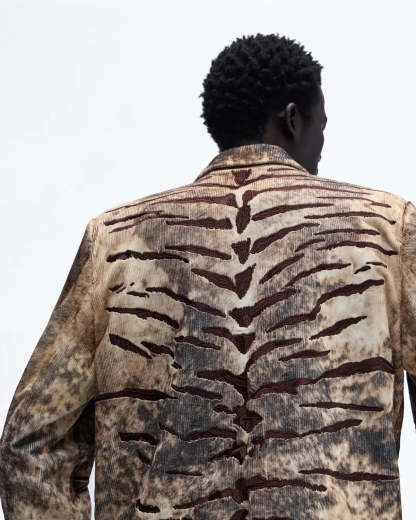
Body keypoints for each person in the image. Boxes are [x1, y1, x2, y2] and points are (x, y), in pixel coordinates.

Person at [0, 32, 414, 519]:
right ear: (293, 118)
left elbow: (30, 445)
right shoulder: (385, 229)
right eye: (321, 126)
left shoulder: (118, 239)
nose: (321, 148)